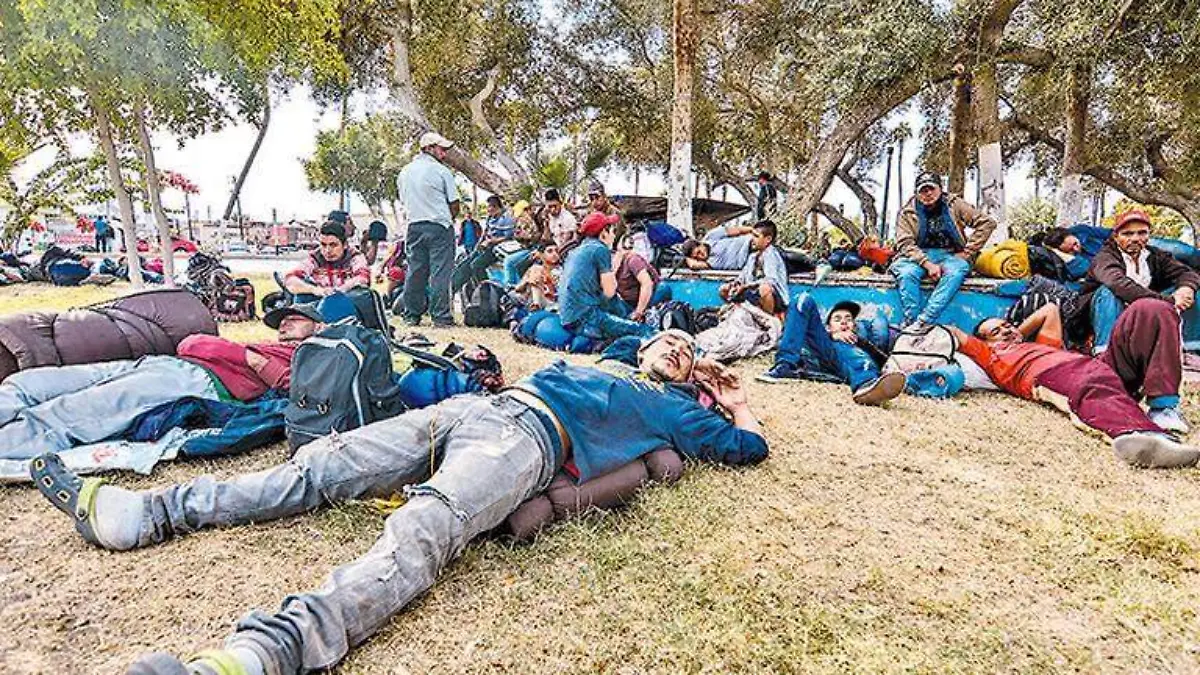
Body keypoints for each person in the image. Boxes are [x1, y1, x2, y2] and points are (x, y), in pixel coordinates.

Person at [33, 330, 768, 675]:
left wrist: (734, 399)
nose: (671, 348)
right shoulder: (607, 354)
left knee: (426, 523)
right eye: (667, 339)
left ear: (688, 376)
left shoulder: (672, 408)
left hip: (531, 442)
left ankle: (262, 654)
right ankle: (153, 512)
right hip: (475, 408)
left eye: (683, 351)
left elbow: (749, 448)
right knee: (323, 465)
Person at [0, 301, 344, 464]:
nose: (284, 324)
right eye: (281, 320)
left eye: (295, 319)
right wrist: (246, 355)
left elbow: (292, 386)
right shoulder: (264, 347)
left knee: (70, 414)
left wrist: (251, 360)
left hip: (195, 381)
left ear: (320, 326)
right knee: (30, 383)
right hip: (163, 364)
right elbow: (191, 343)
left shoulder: (314, 353)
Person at [947, 300, 1197, 466]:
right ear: (984, 342)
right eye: (996, 332)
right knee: (1092, 386)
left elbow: (1050, 309)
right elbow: (954, 333)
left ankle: (1163, 408)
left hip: (1099, 365)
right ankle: (1142, 436)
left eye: (1006, 325)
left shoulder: (1041, 344)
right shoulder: (990, 356)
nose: (1006, 331)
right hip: (1062, 374)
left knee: (1149, 309)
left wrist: (1018, 332)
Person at [1079, 209, 1200, 354]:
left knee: (1191, 293)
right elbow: (1118, 284)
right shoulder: (1104, 257)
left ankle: (1190, 349)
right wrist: (1170, 301)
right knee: (1108, 292)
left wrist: (1186, 289)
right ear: (1116, 237)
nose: (1135, 238)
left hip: (1145, 309)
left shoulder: (1155, 255)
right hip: (1104, 316)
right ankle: (1105, 351)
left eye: (1142, 233)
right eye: (1127, 234)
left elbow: (1186, 272)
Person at [891, 171, 997, 332]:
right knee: (906, 273)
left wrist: (968, 252)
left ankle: (924, 321)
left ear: (940, 189)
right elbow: (905, 243)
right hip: (916, 256)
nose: (928, 194)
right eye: (923, 190)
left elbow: (987, 223)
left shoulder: (954, 204)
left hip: (949, 254)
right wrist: (927, 264)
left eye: (931, 189)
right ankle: (911, 320)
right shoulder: (907, 212)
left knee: (957, 270)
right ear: (917, 193)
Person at [757, 295, 905, 405]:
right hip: (826, 353)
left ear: (854, 325)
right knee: (802, 299)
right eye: (837, 319)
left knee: (854, 353)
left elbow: (882, 358)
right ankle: (783, 366)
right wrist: (831, 335)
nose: (843, 322)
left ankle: (867, 386)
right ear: (828, 326)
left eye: (848, 319)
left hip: (854, 366)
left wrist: (859, 341)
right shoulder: (823, 338)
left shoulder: (862, 342)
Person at [559, 212, 656, 341]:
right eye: (612, 231)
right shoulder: (600, 249)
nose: (614, 235)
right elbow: (610, 291)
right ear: (603, 233)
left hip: (568, 317)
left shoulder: (576, 251)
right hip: (586, 317)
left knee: (618, 307)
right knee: (643, 330)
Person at [398, 131, 461, 327]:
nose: (444, 154)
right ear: (429, 148)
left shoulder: (404, 172)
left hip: (414, 226)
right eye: (441, 149)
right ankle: (441, 317)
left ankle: (412, 315)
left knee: (415, 271)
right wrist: (448, 218)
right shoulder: (442, 171)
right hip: (439, 226)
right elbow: (454, 203)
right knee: (440, 272)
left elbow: (404, 200)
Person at [283, 221, 371, 299]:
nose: (327, 250)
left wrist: (339, 290)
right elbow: (290, 279)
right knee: (301, 296)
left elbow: (363, 278)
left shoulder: (355, 256)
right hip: (320, 304)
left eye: (333, 245)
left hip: (349, 303)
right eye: (323, 245)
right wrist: (315, 290)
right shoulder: (315, 257)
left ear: (345, 245)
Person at [719, 220, 789, 314]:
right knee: (724, 289)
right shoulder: (753, 256)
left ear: (768, 239)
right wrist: (736, 283)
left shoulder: (771, 254)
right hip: (753, 293)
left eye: (756, 236)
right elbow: (743, 276)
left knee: (765, 289)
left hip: (775, 299)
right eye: (752, 235)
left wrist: (745, 286)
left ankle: (768, 318)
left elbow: (771, 280)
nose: (752, 239)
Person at [613, 244, 668, 322]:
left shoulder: (633, 260)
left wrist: (639, 311)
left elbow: (647, 284)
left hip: (652, 293)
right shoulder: (606, 267)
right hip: (630, 301)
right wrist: (613, 271)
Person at [681, 223, 756, 271]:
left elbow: (737, 230)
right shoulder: (708, 263)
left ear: (700, 244)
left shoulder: (711, 236)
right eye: (696, 258)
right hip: (748, 262)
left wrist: (753, 230)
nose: (700, 256)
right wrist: (686, 256)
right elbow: (692, 265)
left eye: (699, 252)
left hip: (749, 243)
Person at [513, 243, 563, 310]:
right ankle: (536, 305)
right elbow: (517, 289)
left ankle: (536, 305)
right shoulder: (535, 269)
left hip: (554, 302)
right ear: (542, 255)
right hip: (535, 299)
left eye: (557, 251)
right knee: (535, 270)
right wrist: (527, 281)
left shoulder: (561, 269)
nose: (554, 254)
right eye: (550, 251)